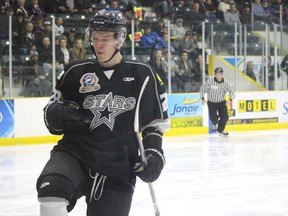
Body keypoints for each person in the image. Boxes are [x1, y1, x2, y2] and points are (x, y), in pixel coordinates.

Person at [36, 9, 170, 216]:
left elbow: (155, 122)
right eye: (95, 37)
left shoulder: (142, 75)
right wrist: (57, 114)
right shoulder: (74, 71)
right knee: (51, 191)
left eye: (105, 38)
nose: (98, 44)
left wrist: (153, 152)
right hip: (74, 153)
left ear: (120, 39)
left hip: (118, 163)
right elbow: (50, 113)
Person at [200, 67, 235, 136]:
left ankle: (220, 130)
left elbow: (232, 91)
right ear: (215, 75)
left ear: (222, 74)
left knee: (225, 116)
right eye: (217, 74)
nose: (218, 76)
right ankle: (215, 122)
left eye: (220, 74)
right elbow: (202, 89)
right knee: (213, 118)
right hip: (211, 102)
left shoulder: (226, 82)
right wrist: (202, 98)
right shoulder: (210, 81)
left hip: (221, 102)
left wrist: (230, 99)